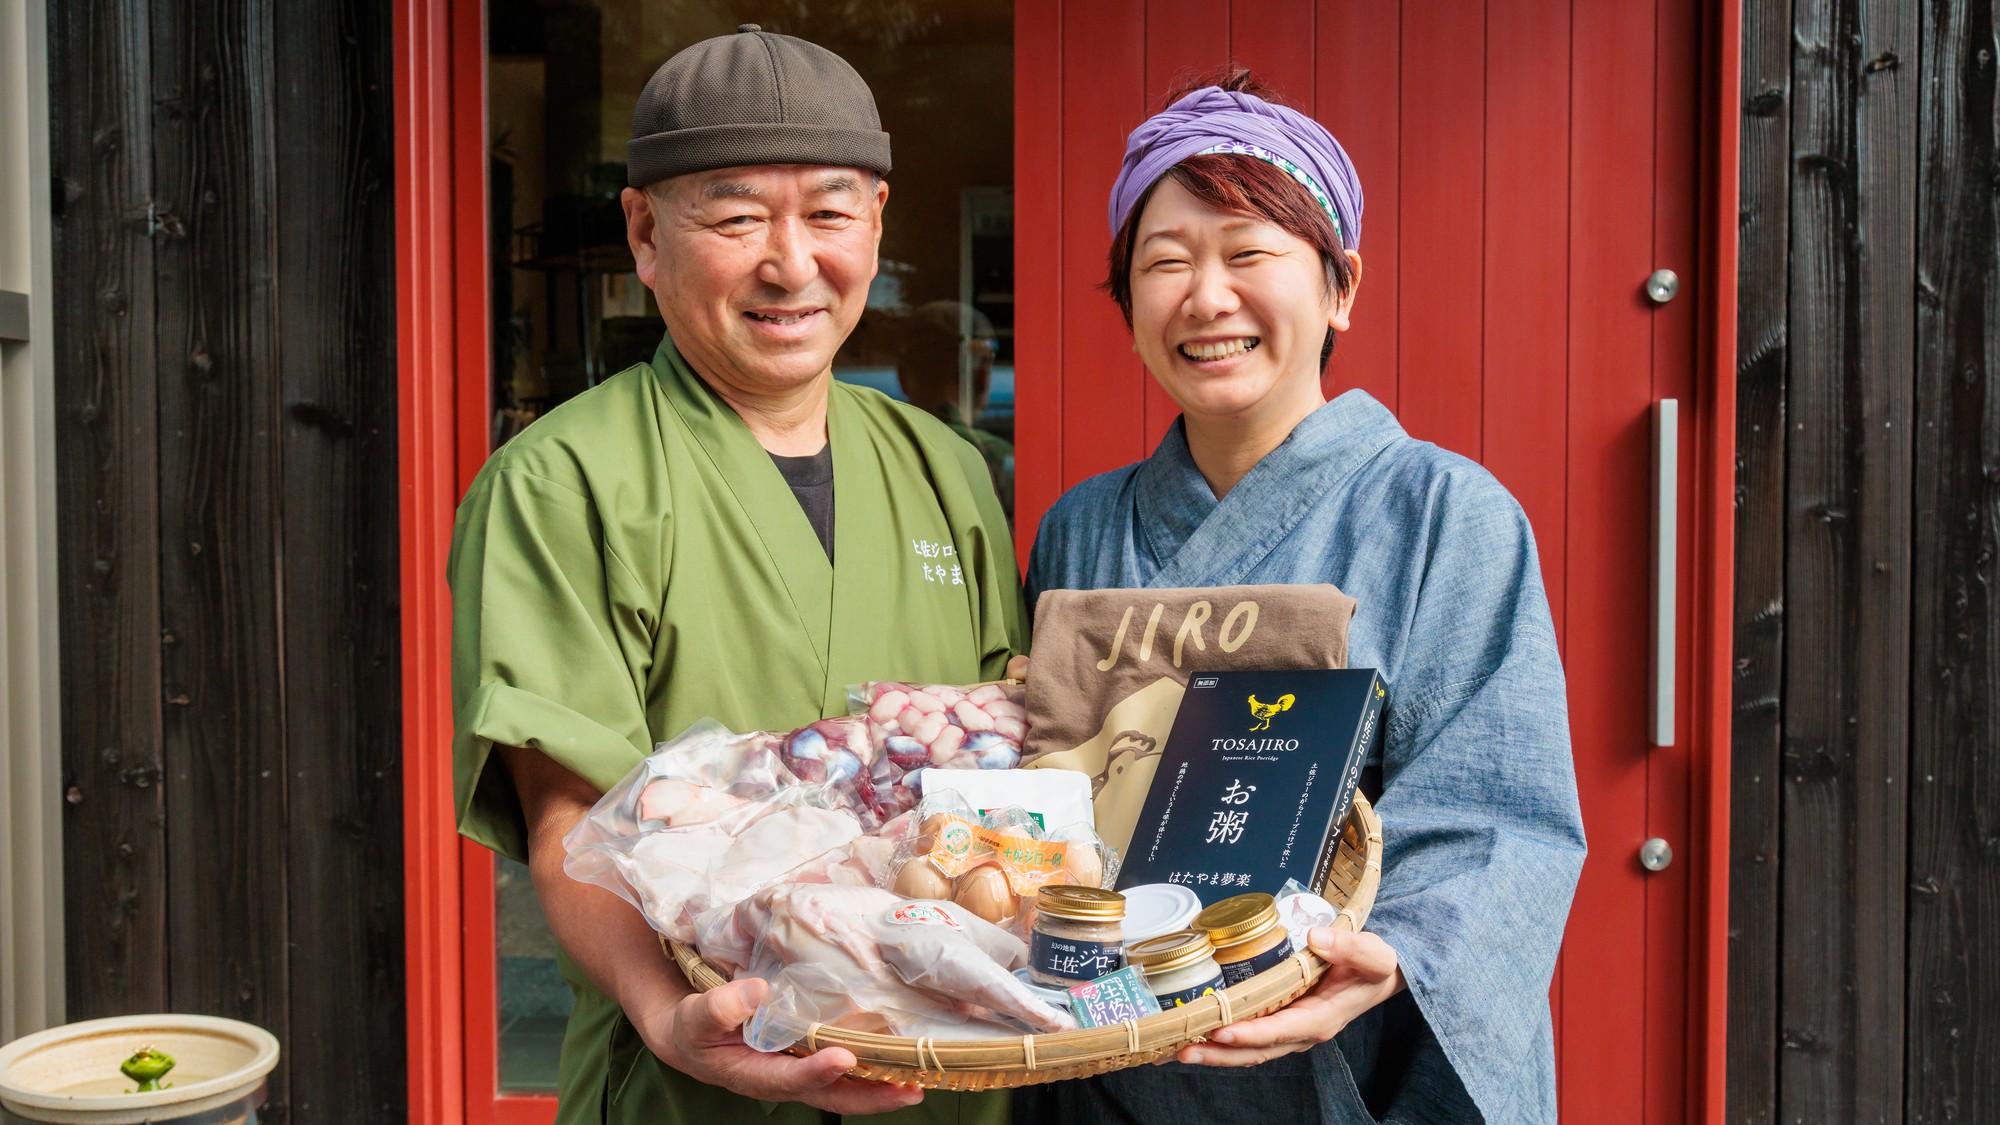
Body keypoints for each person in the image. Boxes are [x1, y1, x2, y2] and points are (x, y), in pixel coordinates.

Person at [449, 26, 1024, 1125]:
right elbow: (568, 812)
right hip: (694, 1081)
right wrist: (668, 1012)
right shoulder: (564, 483)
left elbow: (997, 759)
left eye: (828, 212)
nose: (791, 262)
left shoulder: (946, 470)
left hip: (949, 1074)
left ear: (876, 223)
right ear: (645, 233)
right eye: (735, 214)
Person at [1019, 70, 1586, 1123]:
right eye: (1164, 262)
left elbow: (1493, 812)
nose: (1204, 295)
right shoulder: (1079, 527)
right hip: (1107, 1068)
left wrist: (1387, 954)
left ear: (1338, 287)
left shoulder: (1442, 514)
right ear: (1127, 306)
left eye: (1247, 254)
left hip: (1345, 1067)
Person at [894, 300, 1014, 516]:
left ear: (902, 374)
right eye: (986, 362)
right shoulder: (994, 456)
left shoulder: (880, 451)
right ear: (981, 376)